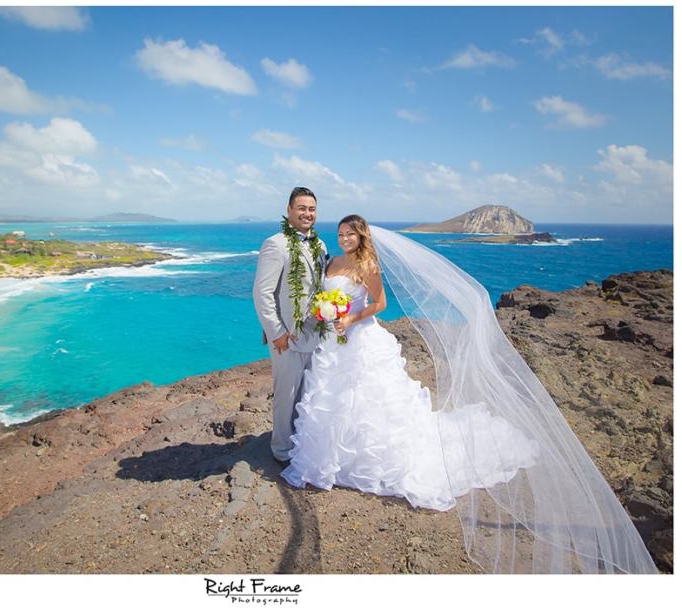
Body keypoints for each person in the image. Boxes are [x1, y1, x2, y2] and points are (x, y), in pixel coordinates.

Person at [280, 215, 657, 574]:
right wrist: (328, 313)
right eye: (341, 233)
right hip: (334, 345)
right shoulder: (333, 263)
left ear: (362, 236)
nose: (345, 238)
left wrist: (351, 317)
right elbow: (324, 296)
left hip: (361, 340)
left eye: (351, 234)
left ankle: (370, 459)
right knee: (334, 398)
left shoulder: (368, 266)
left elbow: (380, 304)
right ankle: (332, 459)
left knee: (371, 400)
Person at [252, 187, 328, 464]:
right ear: (289, 210)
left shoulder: (320, 245)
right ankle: (282, 450)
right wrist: (277, 333)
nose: (307, 213)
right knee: (286, 395)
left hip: (315, 333)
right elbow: (262, 293)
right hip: (287, 336)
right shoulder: (276, 244)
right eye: (302, 208)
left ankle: (302, 442)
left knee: (309, 392)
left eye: (312, 209)